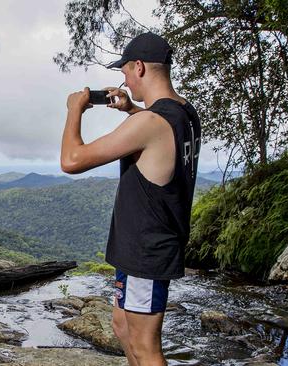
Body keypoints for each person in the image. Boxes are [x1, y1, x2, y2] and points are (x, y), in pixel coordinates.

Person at [60, 32, 201, 366]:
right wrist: (130, 108)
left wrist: (74, 110)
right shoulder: (184, 112)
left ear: (139, 67)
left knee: (145, 345)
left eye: (123, 71)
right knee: (122, 327)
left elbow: (71, 161)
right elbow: (158, 131)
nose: (122, 79)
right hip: (140, 248)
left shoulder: (151, 122)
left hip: (147, 250)